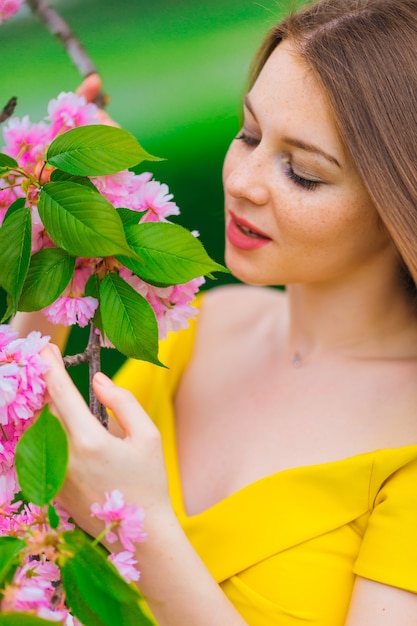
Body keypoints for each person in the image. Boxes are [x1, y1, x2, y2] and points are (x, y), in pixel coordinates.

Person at [22, 0, 417, 623]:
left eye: (305, 173)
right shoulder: (206, 327)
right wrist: (45, 286)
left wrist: (146, 529)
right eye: (249, 134)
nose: (245, 182)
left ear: (401, 203)